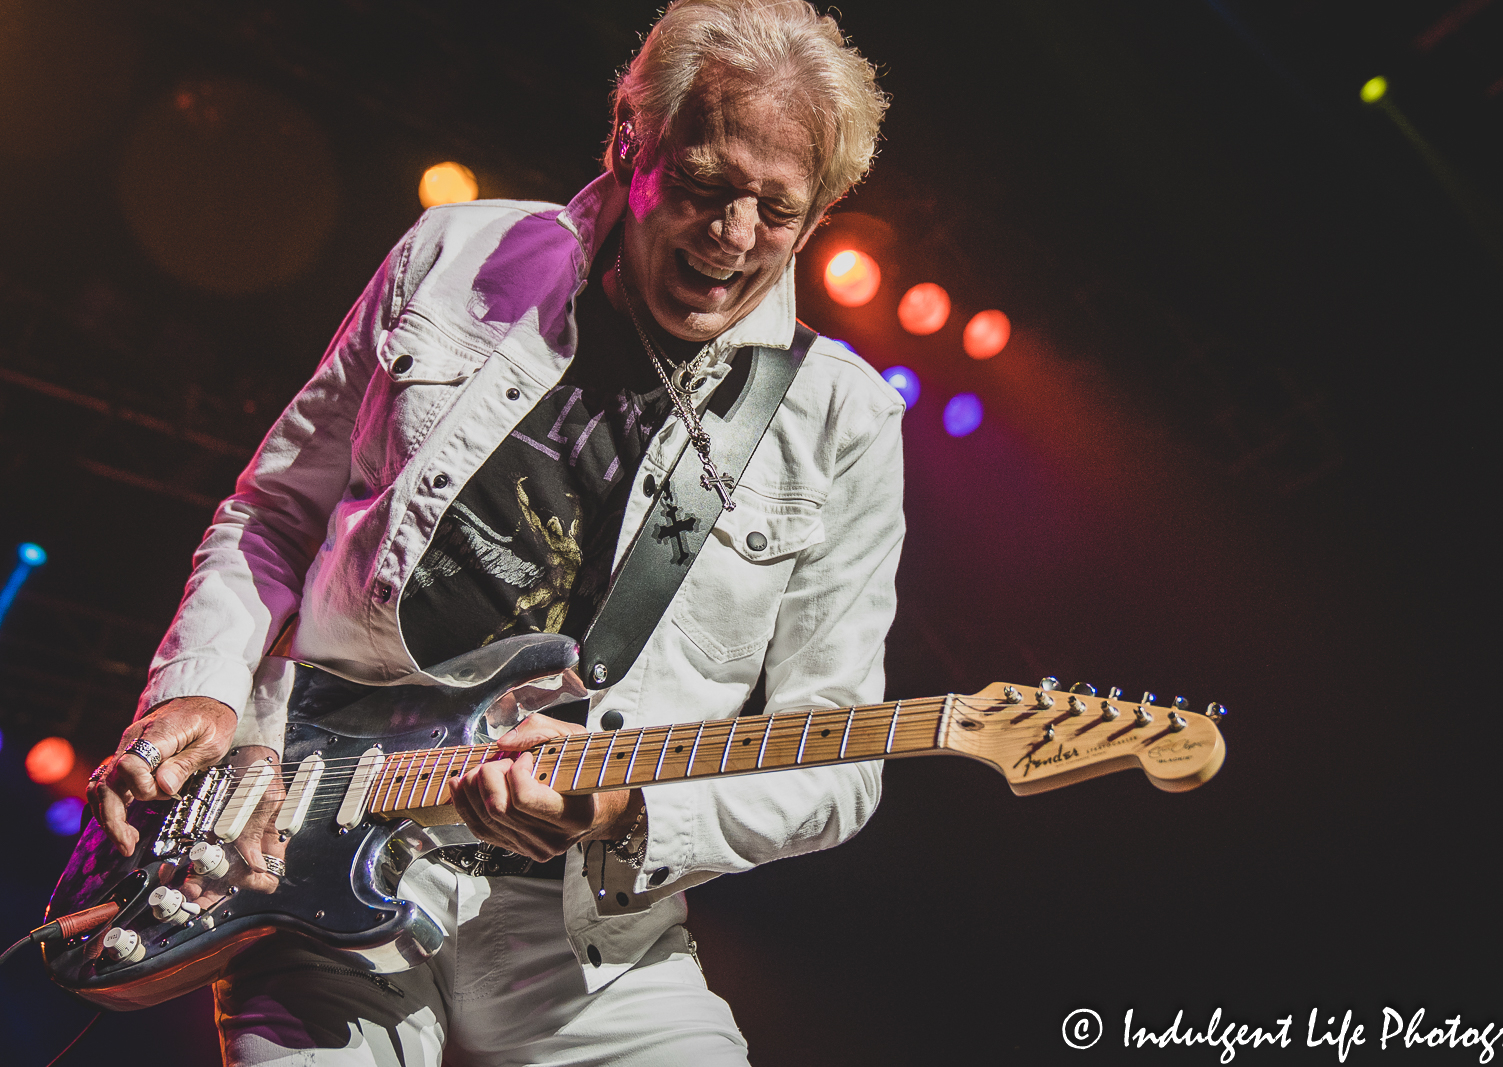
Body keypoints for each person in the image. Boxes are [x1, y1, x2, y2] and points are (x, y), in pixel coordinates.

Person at [85, 1, 901, 1063]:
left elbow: (838, 761)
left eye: (776, 209)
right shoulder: (455, 255)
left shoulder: (840, 420)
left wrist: (626, 809)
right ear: (630, 139)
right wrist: (199, 683)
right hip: (304, 842)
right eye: (703, 185)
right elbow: (275, 509)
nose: (734, 236)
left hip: (590, 936)